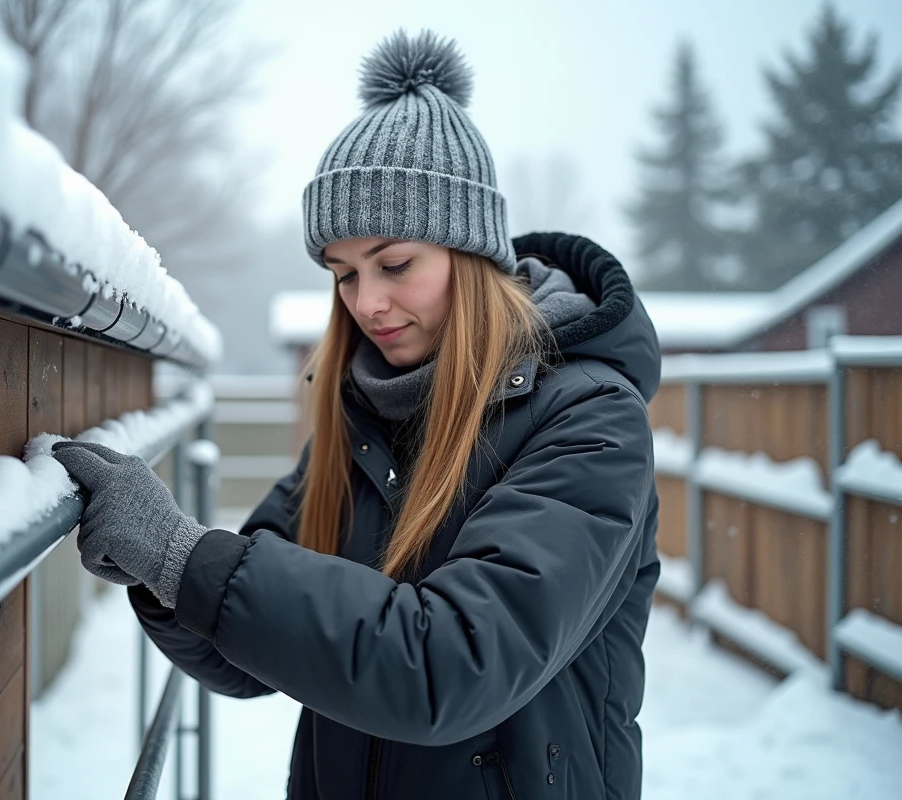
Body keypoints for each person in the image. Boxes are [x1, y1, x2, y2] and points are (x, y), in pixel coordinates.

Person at [52, 29, 661, 800]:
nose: (367, 302)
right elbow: (251, 652)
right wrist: (164, 575)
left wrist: (184, 556)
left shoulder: (591, 421)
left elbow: (451, 665)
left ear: (471, 253)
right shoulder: (366, 412)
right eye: (342, 275)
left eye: (395, 263)